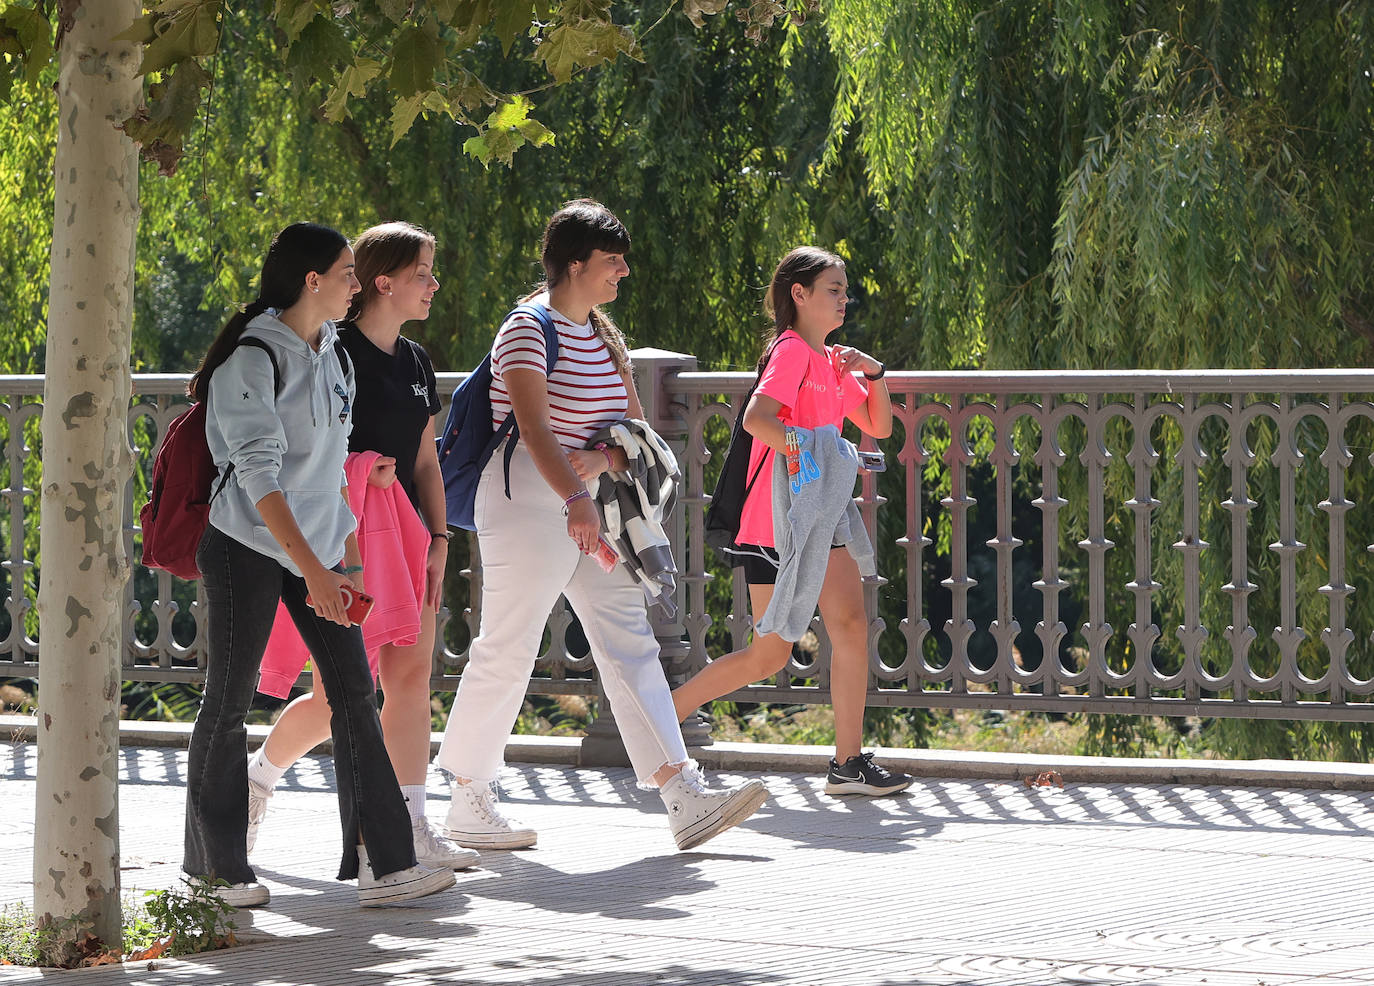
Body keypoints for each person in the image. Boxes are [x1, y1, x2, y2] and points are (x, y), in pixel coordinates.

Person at [433, 199, 768, 852]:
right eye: (612, 261)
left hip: (591, 498)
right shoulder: (526, 329)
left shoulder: (601, 337)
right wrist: (575, 497)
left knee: (629, 640)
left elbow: (633, 433)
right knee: (510, 643)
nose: (623, 273)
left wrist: (604, 463)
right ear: (575, 263)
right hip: (530, 495)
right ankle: (468, 796)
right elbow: (532, 428)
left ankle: (681, 792)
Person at [183, 222, 455, 908]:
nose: (355, 285)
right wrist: (311, 570)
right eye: (345, 274)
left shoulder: (331, 349)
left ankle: (388, 866)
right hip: (247, 543)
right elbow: (258, 479)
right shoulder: (253, 357)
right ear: (312, 280)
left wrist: (351, 564)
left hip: (323, 550)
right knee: (228, 702)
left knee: (356, 695)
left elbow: (335, 470)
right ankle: (214, 871)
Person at [243, 222, 477, 872]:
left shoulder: (416, 361)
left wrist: (439, 538)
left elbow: (426, 463)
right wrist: (361, 470)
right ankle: (258, 779)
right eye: (423, 273)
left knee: (411, 679)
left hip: (407, 539)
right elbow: (304, 447)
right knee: (340, 695)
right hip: (341, 537)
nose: (433, 284)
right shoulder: (331, 348)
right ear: (385, 281)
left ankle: (411, 825)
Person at [671, 246, 914, 797]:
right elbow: (759, 420)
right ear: (798, 294)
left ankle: (847, 764)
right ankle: (662, 723)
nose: (844, 298)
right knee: (770, 652)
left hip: (819, 515)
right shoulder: (791, 352)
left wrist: (873, 372)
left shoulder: (827, 361)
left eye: (845, 289)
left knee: (850, 625)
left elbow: (878, 424)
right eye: (833, 289)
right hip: (778, 520)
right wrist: (809, 452)